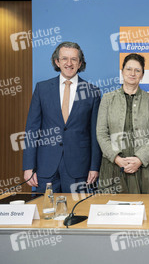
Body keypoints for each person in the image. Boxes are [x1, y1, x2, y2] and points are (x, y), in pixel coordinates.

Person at [23, 41, 101, 193]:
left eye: (74, 59)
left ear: (80, 63)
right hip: (45, 167)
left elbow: (95, 133)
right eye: (64, 58)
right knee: (44, 213)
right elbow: (32, 129)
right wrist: (28, 166)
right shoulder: (42, 89)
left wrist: (94, 166)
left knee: (77, 215)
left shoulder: (92, 92)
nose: (69, 63)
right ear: (57, 62)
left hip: (80, 169)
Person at [96, 53, 149, 194]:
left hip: (145, 168)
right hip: (114, 167)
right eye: (129, 69)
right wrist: (117, 158)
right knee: (113, 212)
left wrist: (139, 159)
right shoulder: (108, 99)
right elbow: (101, 133)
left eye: (137, 70)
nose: (133, 73)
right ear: (122, 72)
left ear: (142, 75)